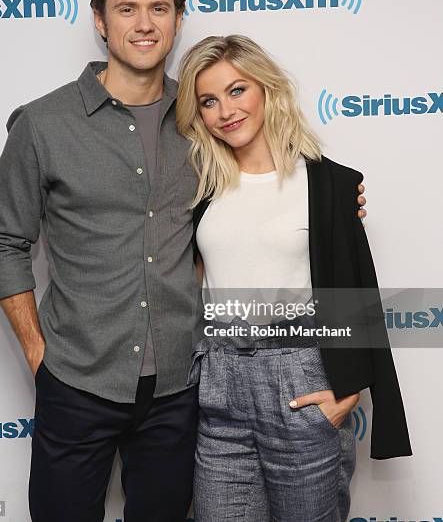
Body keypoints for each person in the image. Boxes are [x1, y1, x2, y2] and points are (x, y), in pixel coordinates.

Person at [0, 0, 367, 522]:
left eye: (159, 8)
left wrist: (333, 201)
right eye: (127, 9)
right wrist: (39, 356)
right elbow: (4, 243)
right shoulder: (42, 124)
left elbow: (261, 200)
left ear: (178, 19)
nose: (144, 24)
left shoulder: (203, 122)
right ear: (99, 19)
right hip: (77, 379)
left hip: (182, 390)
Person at [176, 34, 412, 521]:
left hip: (300, 379)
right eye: (209, 100)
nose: (226, 110)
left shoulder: (329, 184)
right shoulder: (201, 187)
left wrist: (349, 389)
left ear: (266, 89)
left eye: (237, 90)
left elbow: (352, 291)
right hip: (219, 386)